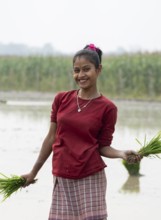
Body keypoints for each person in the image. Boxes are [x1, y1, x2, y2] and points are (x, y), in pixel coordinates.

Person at [22, 43, 141, 220]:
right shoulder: (61, 99)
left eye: (86, 69)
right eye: (76, 70)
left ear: (98, 69)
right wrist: (33, 173)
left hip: (90, 176)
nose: (80, 75)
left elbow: (103, 147)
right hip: (62, 175)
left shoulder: (108, 108)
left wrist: (122, 153)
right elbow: (50, 139)